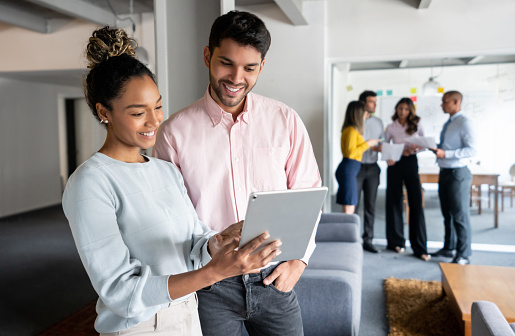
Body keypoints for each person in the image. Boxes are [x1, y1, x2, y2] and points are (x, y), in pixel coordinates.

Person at [62, 26, 281, 336]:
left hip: (188, 316)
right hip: (139, 327)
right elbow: (120, 292)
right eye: (139, 113)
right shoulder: (90, 183)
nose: (155, 121)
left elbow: (192, 242)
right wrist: (213, 274)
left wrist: (217, 242)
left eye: (158, 106)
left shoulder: (164, 170)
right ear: (104, 112)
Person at [154, 11, 321, 336]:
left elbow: (308, 195)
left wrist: (299, 262)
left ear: (262, 67)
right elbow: (170, 215)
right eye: (226, 63)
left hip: (274, 277)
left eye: (249, 67)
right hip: (211, 283)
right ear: (207, 56)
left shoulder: (284, 121)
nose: (236, 77)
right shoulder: (174, 133)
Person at [430, 91, 477, 265]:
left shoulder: (465, 123)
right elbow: (447, 146)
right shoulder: (449, 123)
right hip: (445, 172)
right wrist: (435, 148)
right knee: (447, 214)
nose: (442, 105)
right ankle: (449, 247)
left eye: (445, 101)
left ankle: (463, 254)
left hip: (458, 174)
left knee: (460, 215)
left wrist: (446, 153)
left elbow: (473, 150)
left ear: (456, 102)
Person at [384, 98, 430, 261]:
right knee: (394, 201)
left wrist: (415, 149)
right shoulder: (390, 127)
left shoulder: (417, 124)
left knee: (416, 202)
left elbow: (425, 143)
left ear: (411, 111)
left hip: (411, 162)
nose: (403, 112)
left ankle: (420, 247)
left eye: (406, 109)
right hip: (395, 164)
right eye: (400, 109)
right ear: (396, 109)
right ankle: (395, 242)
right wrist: (389, 156)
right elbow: (385, 144)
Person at [335, 101, 380, 214]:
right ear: (358, 113)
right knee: (349, 206)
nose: (366, 113)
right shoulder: (351, 130)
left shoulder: (352, 130)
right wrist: (368, 144)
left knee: (349, 205)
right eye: (364, 111)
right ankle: (347, 231)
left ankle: (347, 231)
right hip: (349, 168)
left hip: (351, 168)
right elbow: (351, 153)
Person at [356, 90, 384, 253]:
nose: (375, 104)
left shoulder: (379, 122)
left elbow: (381, 142)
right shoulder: (354, 121)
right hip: (357, 167)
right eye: (372, 101)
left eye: (375, 101)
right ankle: (352, 238)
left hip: (373, 167)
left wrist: (380, 147)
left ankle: (368, 239)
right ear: (363, 103)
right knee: (354, 204)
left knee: (370, 205)